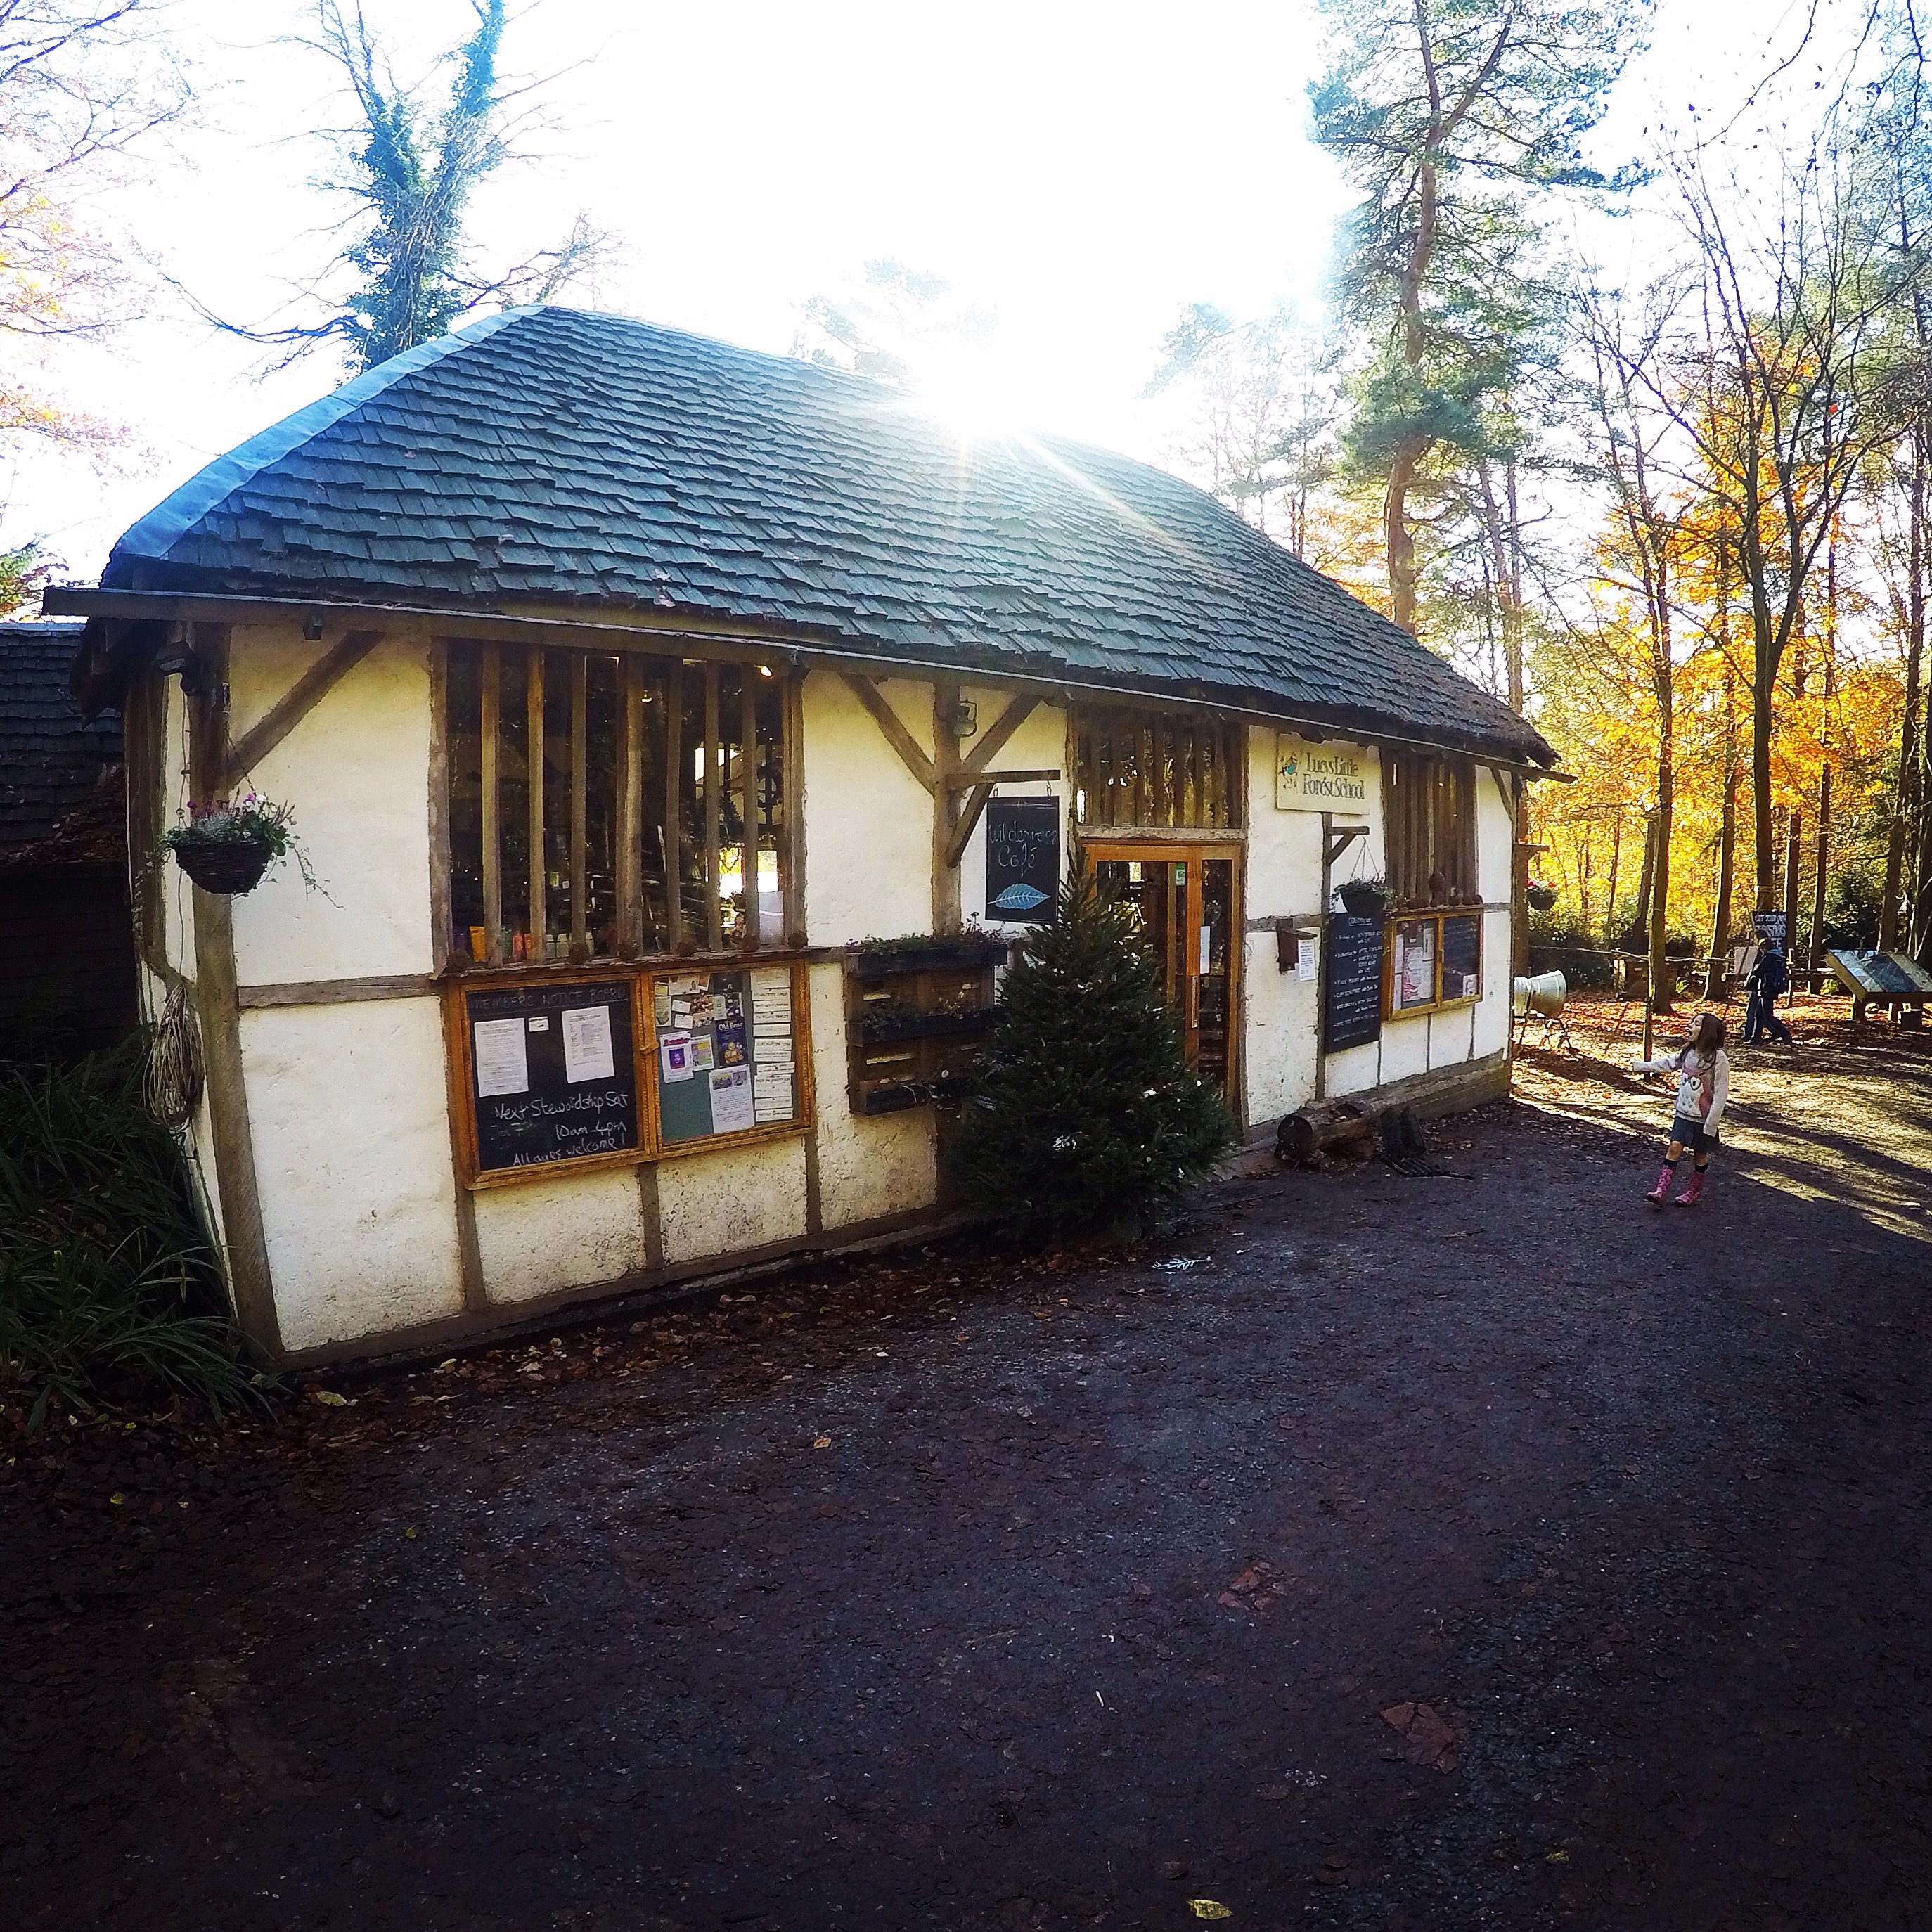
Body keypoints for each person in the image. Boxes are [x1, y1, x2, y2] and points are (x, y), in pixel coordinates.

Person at [1632, 1012, 1730, 1208]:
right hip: (1683, 1115)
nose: (1689, 1027)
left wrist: (1711, 1125)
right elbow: (1668, 1064)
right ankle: (1661, 1191)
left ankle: (1693, 1191)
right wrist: (1642, 1066)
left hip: (1703, 1119)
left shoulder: (1719, 1059)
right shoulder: (1687, 1053)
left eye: (1696, 1024)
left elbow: (1720, 1095)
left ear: (1707, 1031)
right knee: (1674, 1147)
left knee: (1700, 1155)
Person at [1741, 939, 1793, 1044]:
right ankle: (1755, 1039)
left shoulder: (1769, 957)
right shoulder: (1779, 957)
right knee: (1759, 1015)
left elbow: (1760, 971)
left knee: (1767, 1015)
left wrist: (1753, 976)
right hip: (1772, 988)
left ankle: (1784, 1033)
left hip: (1766, 988)